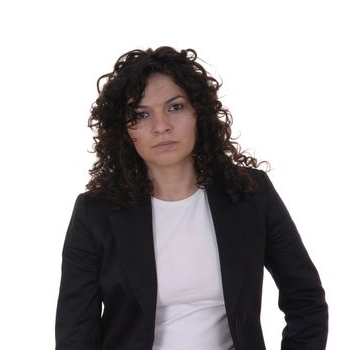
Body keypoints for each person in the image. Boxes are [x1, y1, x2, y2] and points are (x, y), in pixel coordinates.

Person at [55, 46, 328, 350]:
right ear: (124, 130)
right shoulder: (96, 213)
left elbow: (305, 299)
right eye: (141, 115)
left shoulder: (250, 193)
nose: (162, 127)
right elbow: (75, 330)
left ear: (199, 112)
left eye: (175, 107)